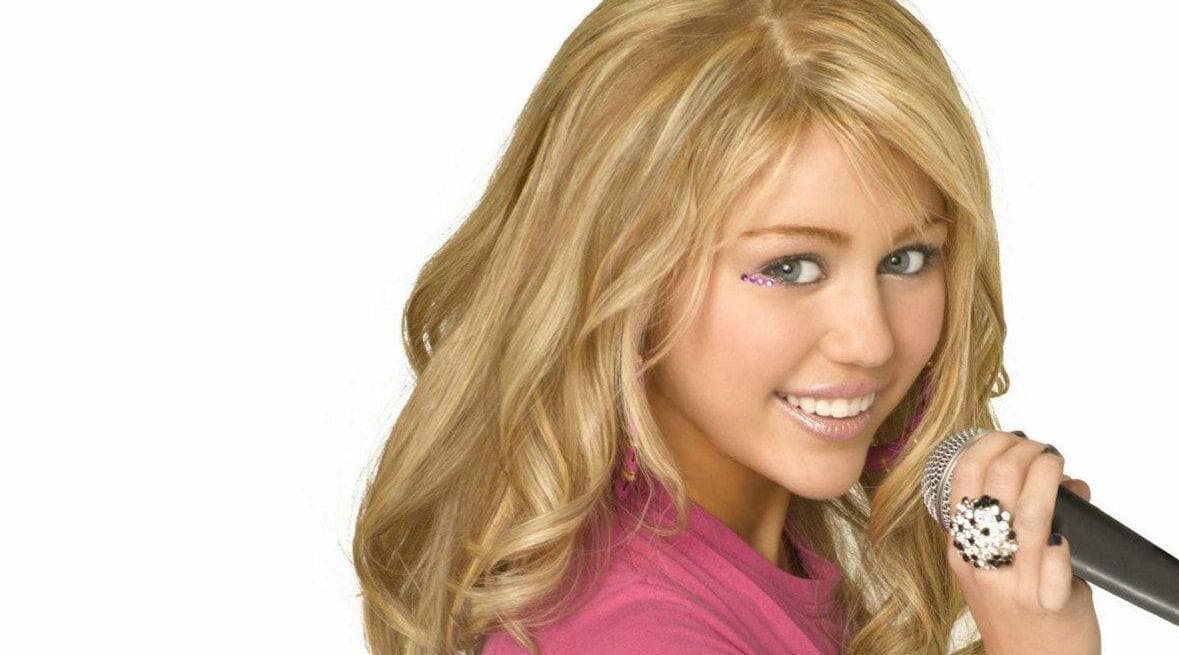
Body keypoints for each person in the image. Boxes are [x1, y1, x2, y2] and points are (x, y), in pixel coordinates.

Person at [352, 1, 1100, 653]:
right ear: (622, 274)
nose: (871, 341)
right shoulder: (642, 634)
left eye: (906, 259)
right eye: (790, 267)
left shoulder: (751, 556)